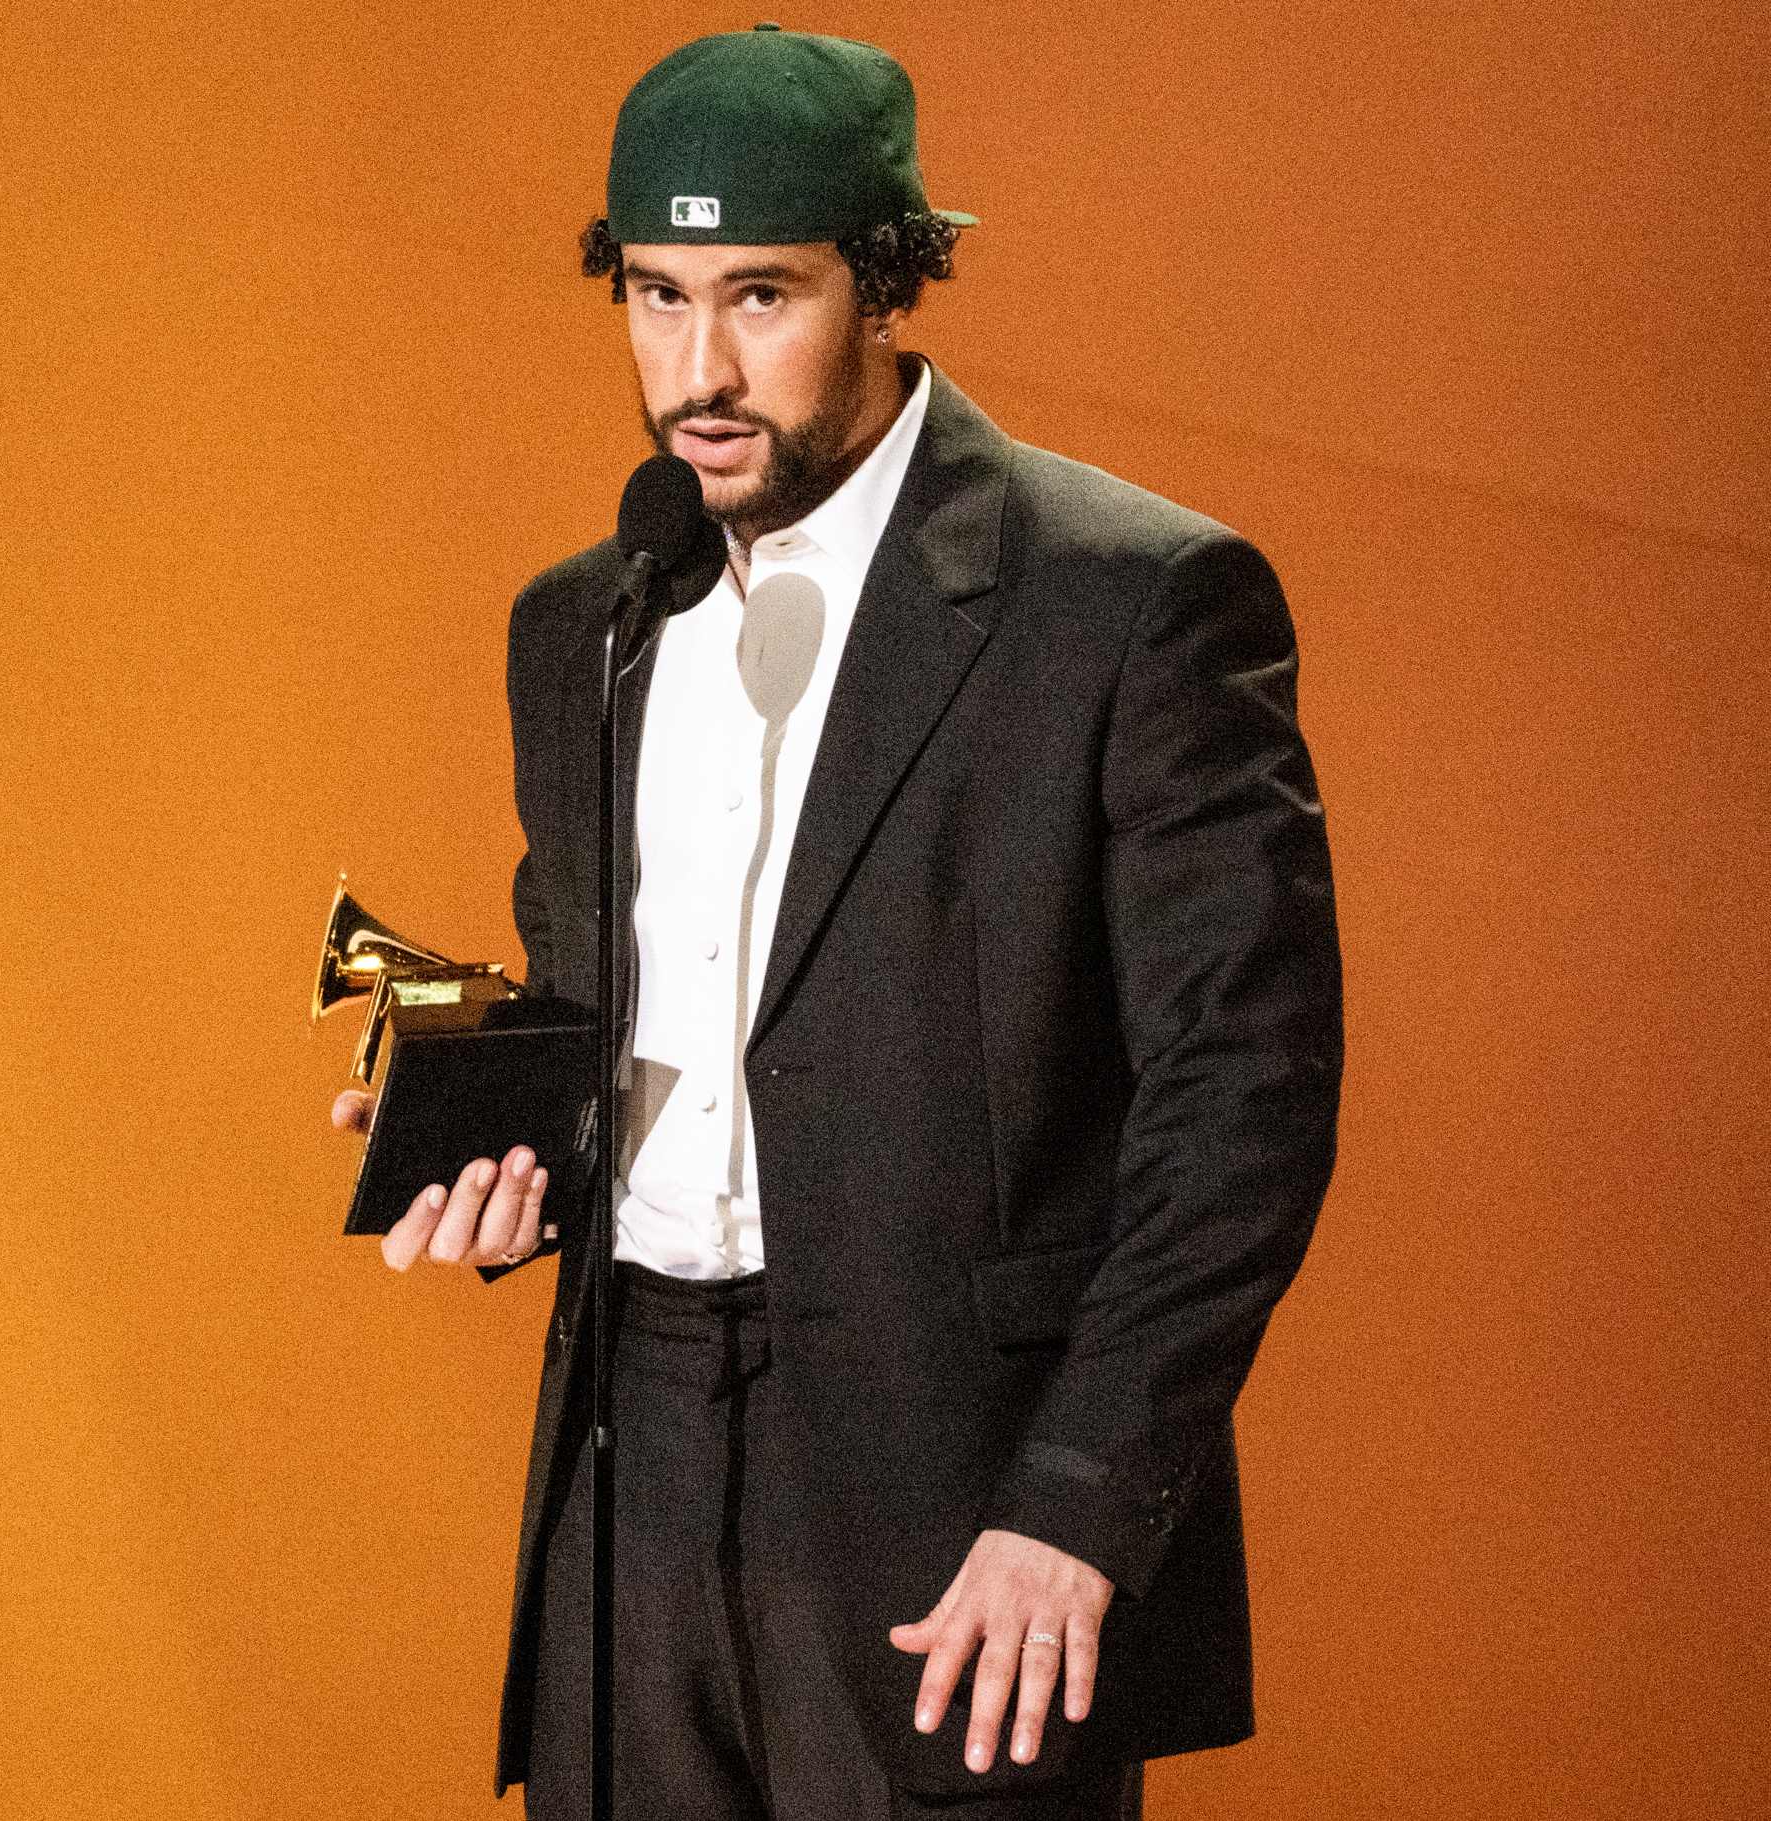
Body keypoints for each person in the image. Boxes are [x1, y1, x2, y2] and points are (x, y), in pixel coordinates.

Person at [327, 24, 1341, 1819]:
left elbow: (1243, 1102)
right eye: (653, 295)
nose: (697, 369)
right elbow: (630, 1010)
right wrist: (500, 1145)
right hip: (628, 1466)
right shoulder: (586, 623)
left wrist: (1081, 1506)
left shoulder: (1131, 602)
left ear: (886, 286)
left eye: (760, 296)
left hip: (962, 1500)